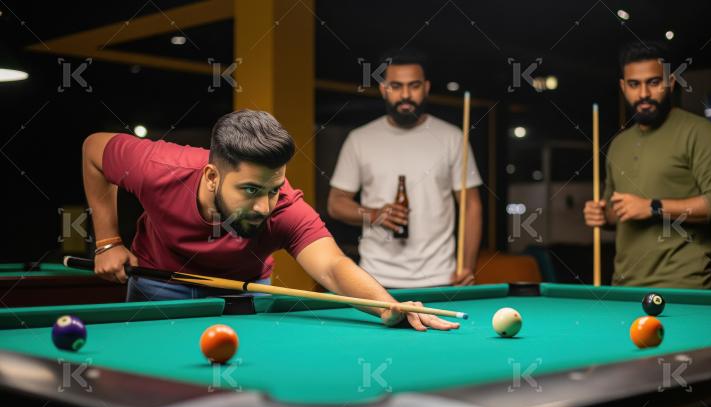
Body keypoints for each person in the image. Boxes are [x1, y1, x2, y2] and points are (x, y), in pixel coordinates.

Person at [82, 109, 458, 331]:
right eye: (250, 190)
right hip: (158, 283)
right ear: (213, 177)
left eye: (273, 189)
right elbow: (94, 148)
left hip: (243, 292)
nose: (264, 206)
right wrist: (108, 241)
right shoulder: (160, 168)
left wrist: (387, 306)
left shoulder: (284, 209)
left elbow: (331, 266)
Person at [583, 42, 711, 289]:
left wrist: (653, 207)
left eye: (653, 82)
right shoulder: (618, 144)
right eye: (634, 84)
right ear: (623, 87)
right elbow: (617, 212)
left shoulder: (699, 132)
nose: (643, 93)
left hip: (682, 287)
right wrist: (602, 215)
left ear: (671, 82)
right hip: (623, 288)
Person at [327, 52, 483, 289]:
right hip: (375, 280)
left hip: (441, 279)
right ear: (383, 89)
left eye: (414, 86)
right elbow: (336, 203)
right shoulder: (359, 139)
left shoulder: (453, 137)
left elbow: (471, 205)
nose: (406, 95)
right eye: (396, 86)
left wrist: (468, 267)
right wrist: (375, 214)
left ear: (427, 87)